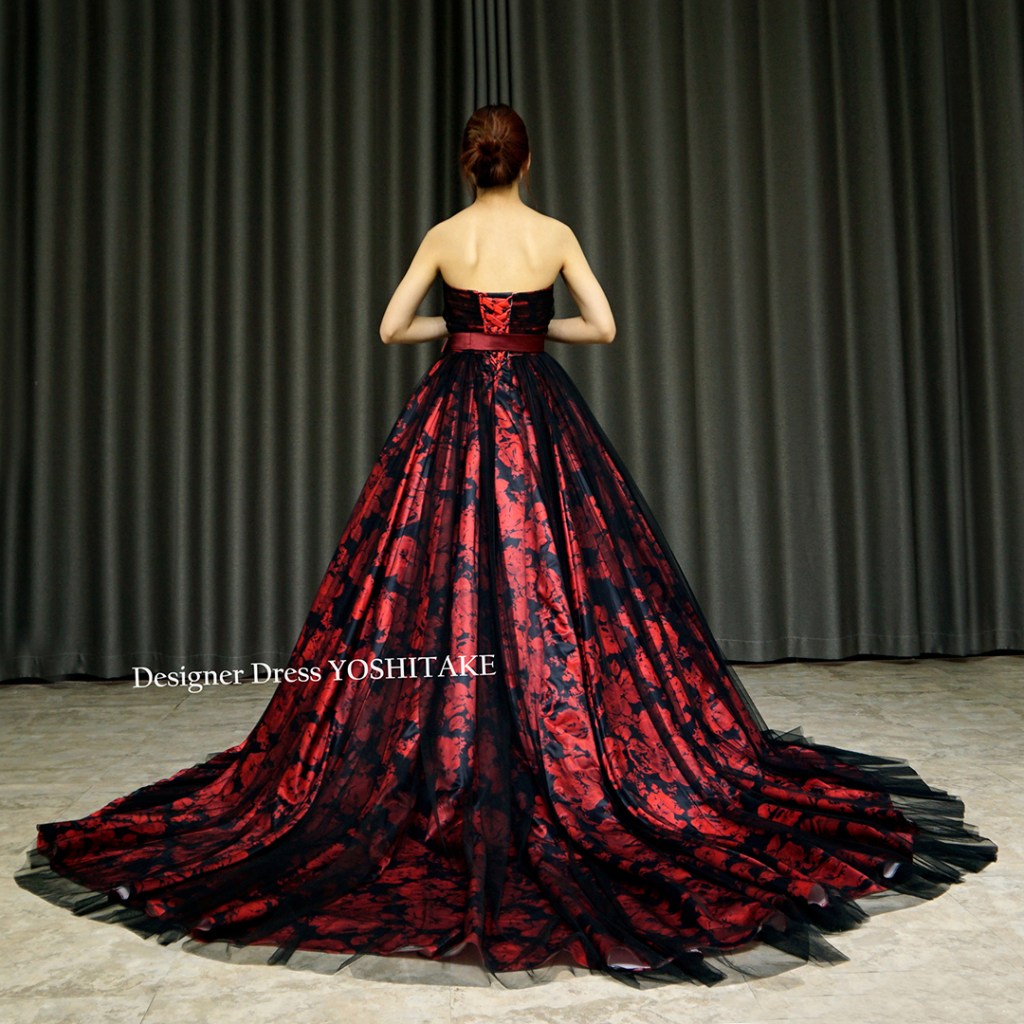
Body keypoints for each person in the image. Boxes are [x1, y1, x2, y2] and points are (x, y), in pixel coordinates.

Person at [19, 104, 996, 989]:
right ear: (527, 162)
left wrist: (463, 331)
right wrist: (529, 330)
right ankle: (553, 737)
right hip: (534, 411)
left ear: (467, 165)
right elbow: (604, 327)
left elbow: (389, 326)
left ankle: (443, 742)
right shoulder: (553, 234)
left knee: (433, 576)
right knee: (552, 577)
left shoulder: (444, 236)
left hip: (451, 410)